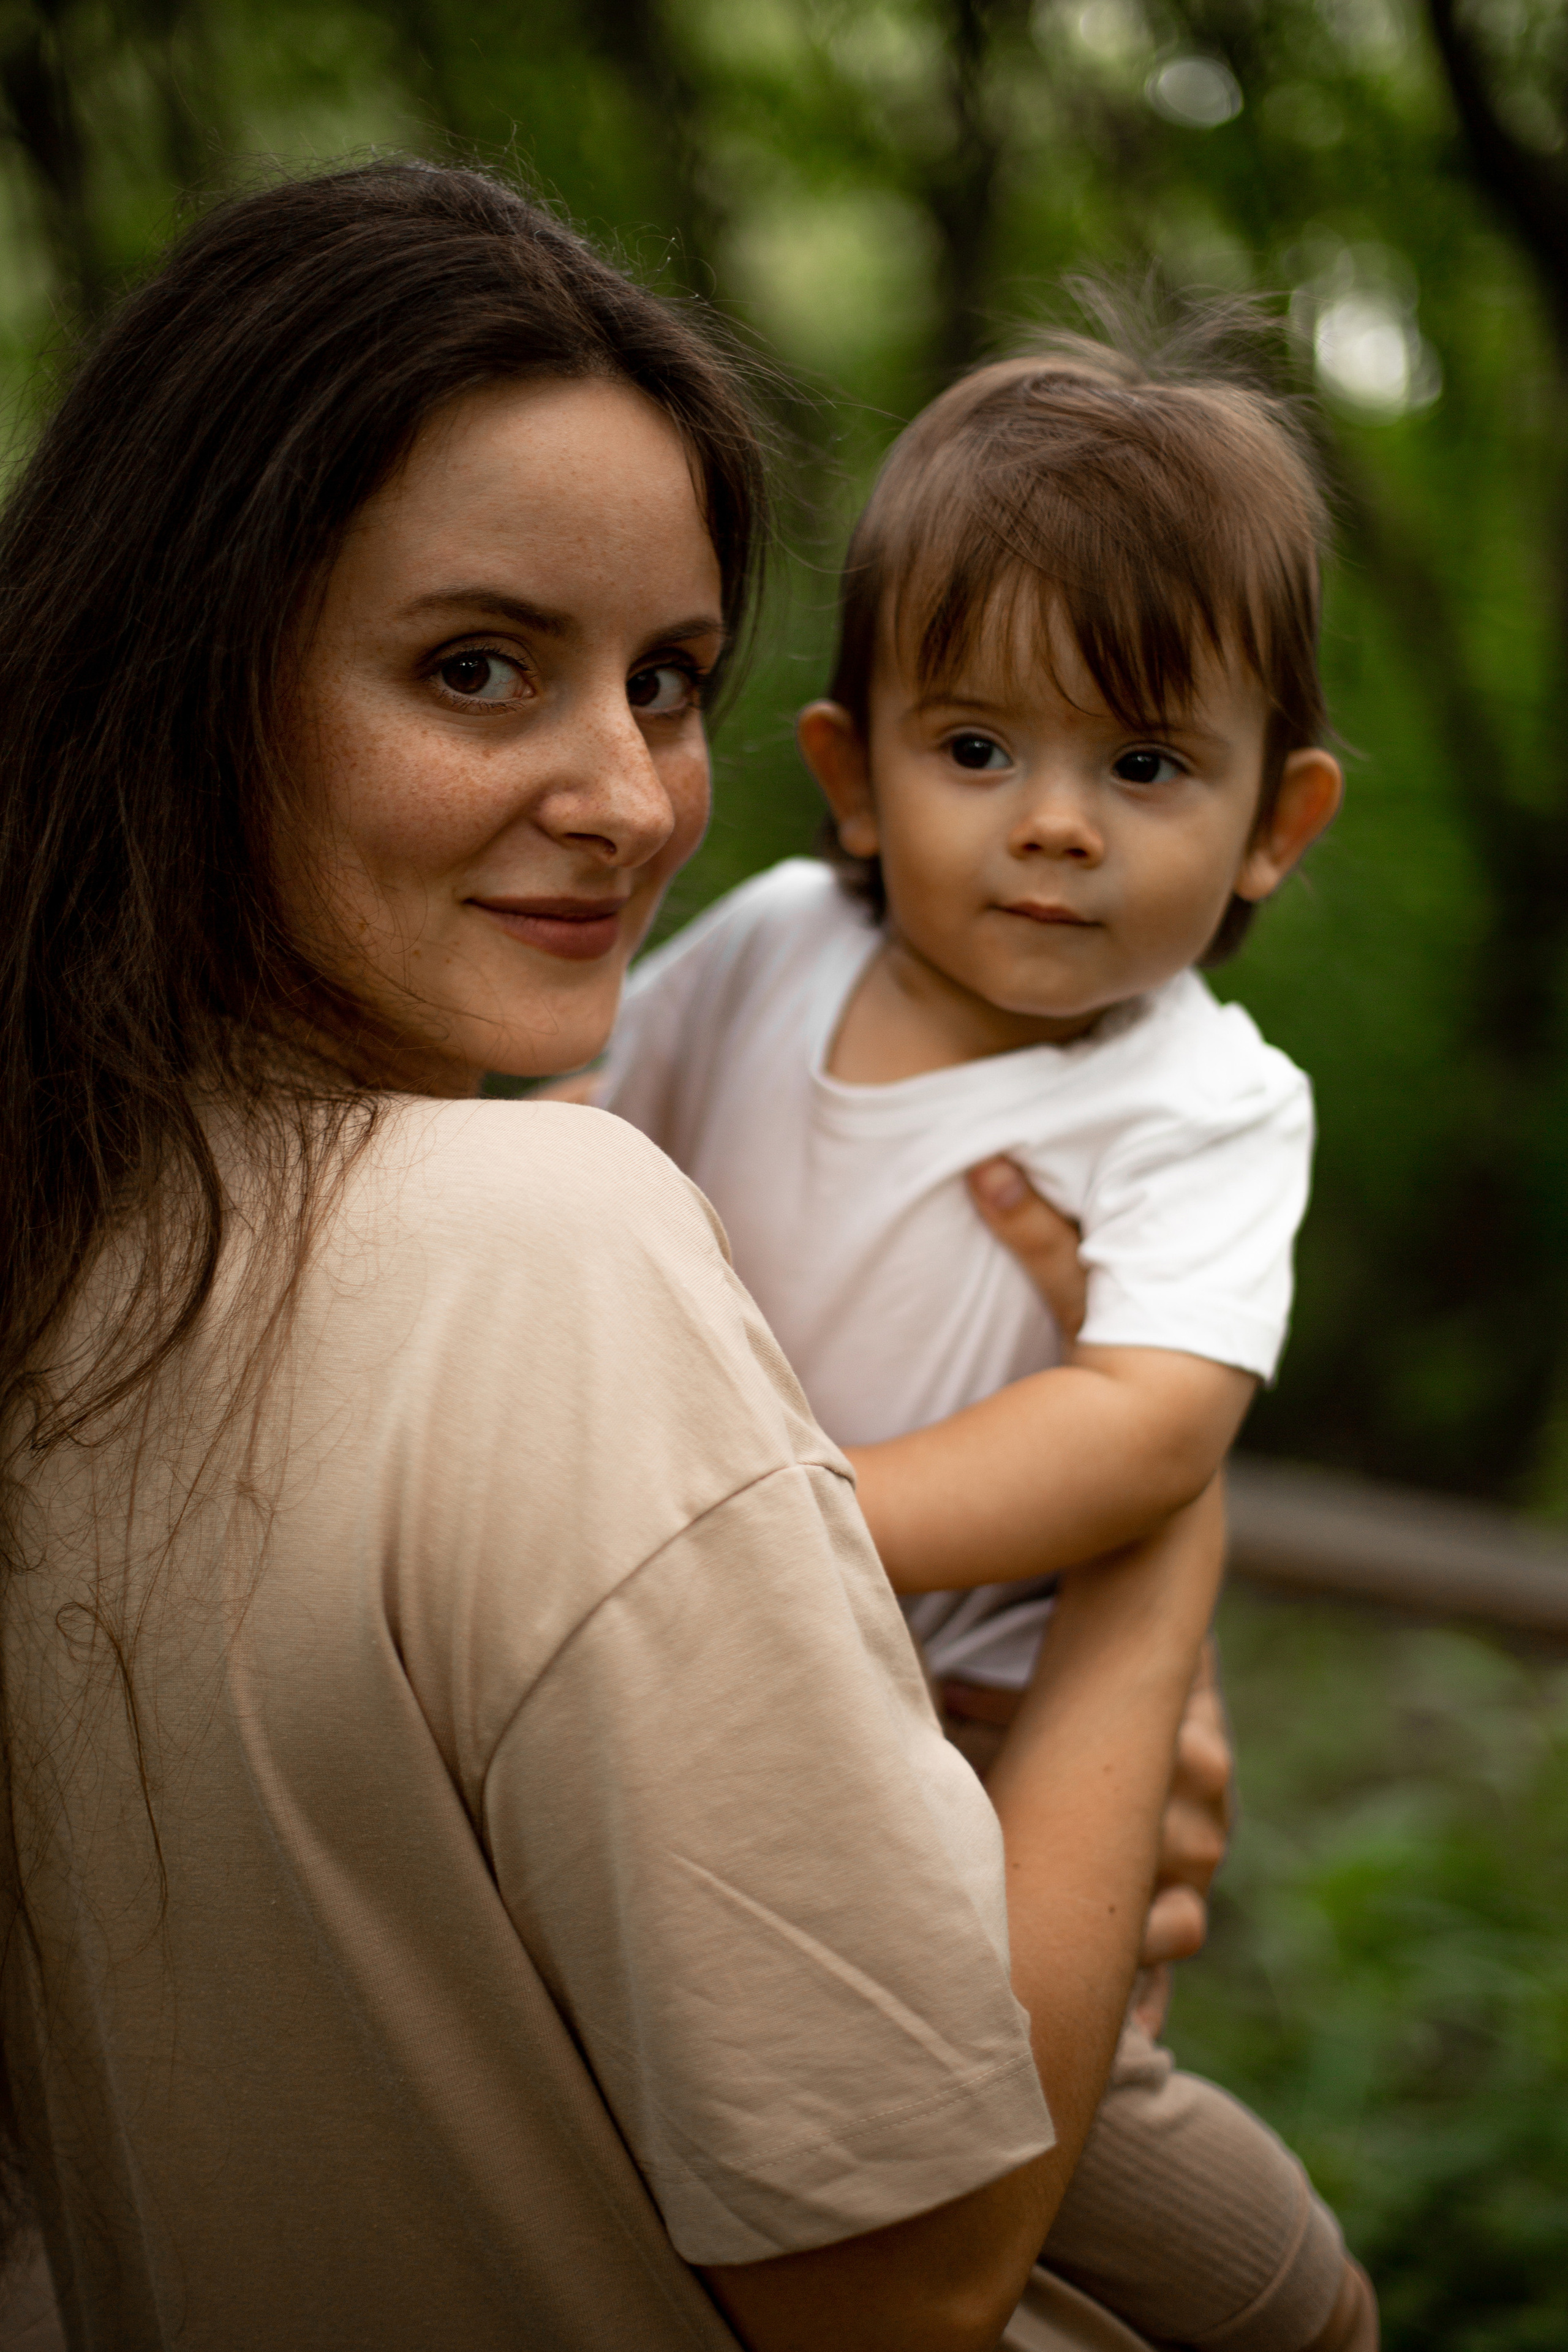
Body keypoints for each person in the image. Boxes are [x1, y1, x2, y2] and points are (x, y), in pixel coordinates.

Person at [0, 160, 1238, 2352]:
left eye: (664, 681)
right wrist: (1152, 1566)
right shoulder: (535, 1248)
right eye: (478, 669)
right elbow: (919, 2277)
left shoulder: (73, 1258)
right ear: (186, 678)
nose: (631, 795)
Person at [589, 321, 1377, 2348]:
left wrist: (790, 1518)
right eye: (978, 750)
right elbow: (584, 1175)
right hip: (703, 1717)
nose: (1053, 824)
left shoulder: (1202, 1103)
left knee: (1270, 2294)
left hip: (984, 1791)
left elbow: (1140, 1420)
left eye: (1142, 764)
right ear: (851, 777)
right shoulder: (765, 951)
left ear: (1275, 824)